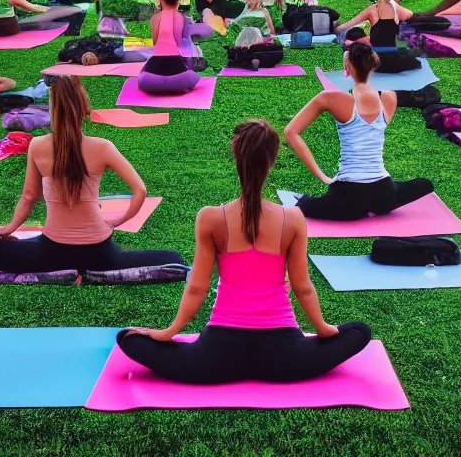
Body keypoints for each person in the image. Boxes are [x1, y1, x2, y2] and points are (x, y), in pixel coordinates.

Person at [116, 119, 371, 384]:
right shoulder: (293, 219)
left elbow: (197, 288)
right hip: (283, 358)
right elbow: (302, 287)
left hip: (218, 356)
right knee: (359, 331)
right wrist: (323, 329)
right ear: (272, 161)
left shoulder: (210, 218)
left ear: (235, 157)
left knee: (128, 339)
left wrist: (168, 333)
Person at [0, 77, 184, 273]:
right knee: (174, 258)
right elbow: (140, 190)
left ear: (51, 110)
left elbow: (29, 196)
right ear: (84, 108)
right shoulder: (103, 147)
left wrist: (7, 229)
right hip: (101, 253)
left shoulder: (38, 145)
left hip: (49, 253)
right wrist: (117, 221)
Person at [284, 43, 434, 221]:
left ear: (346, 67)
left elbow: (290, 132)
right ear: (372, 66)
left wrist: (322, 176)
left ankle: (360, 204)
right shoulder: (389, 97)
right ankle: (377, 199)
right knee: (425, 184)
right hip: (384, 195)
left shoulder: (330, 98)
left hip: (348, 198)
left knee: (304, 205)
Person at [335, 0, 422, 72]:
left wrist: (337, 34)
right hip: (392, 60)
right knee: (415, 60)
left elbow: (347, 25)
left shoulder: (372, 9)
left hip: (374, 61)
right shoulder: (400, 11)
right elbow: (412, 19)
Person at [138, 0, 200, 93]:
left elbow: (155, 42)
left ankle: (157, 84)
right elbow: (179, 42)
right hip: (174, 62)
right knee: (193, 75)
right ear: (179, 0)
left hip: (156, 63)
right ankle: (177, 83)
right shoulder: (179, 17)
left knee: (142, 76)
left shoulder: (155, 18)